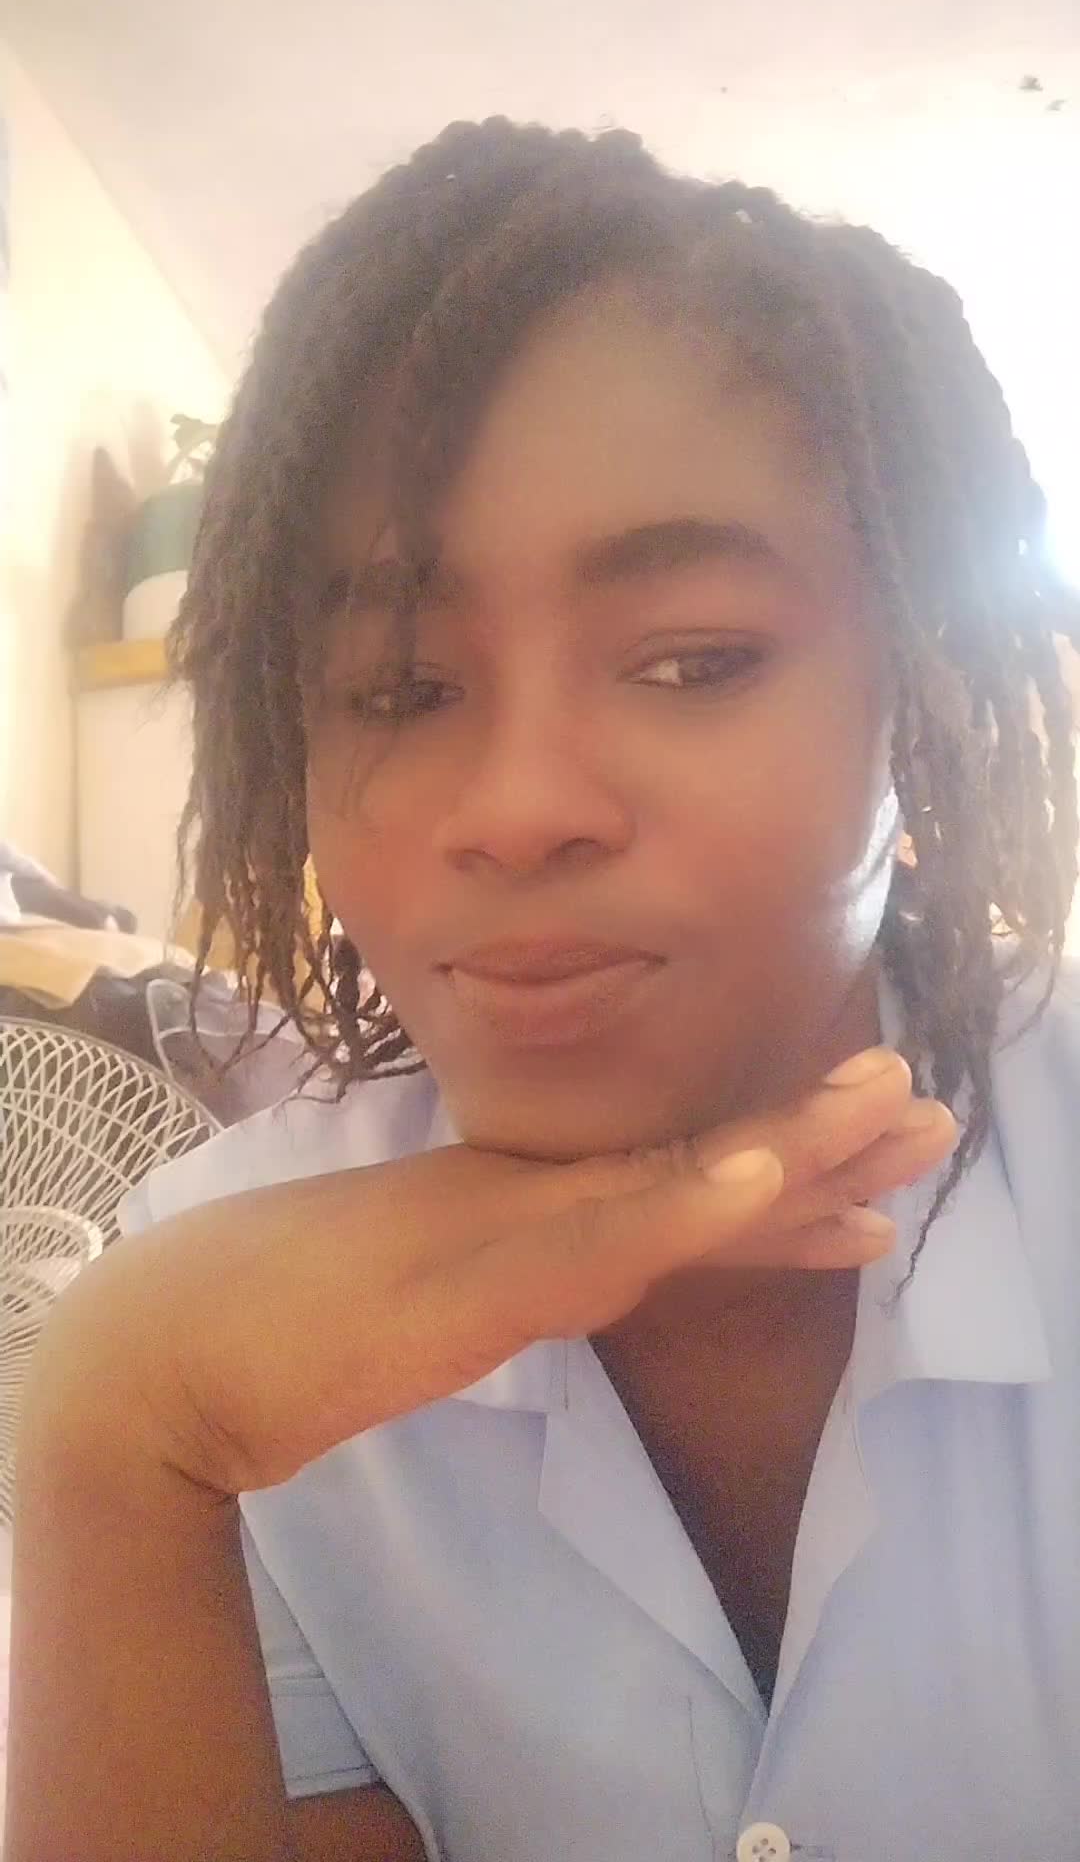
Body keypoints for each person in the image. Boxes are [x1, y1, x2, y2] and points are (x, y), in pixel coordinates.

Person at [10, 119, 1080, 1862]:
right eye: (400, 687)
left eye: (693, 660)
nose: (515, 808)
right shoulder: (211, 1321)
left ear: (924, 690)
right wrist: (114, 1438)